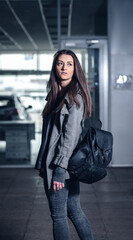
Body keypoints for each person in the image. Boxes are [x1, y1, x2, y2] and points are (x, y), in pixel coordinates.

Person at [35, 49, 94, 240]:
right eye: (60, 63)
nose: (64, 68)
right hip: (55, 163)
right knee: (74, 210)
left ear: (75, 68)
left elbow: (70, 137)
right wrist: (42, 163)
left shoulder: (74, 97)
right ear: (55, 66)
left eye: (69, 64)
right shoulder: (55, 95)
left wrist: (59, 169)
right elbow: (48, 136)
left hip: (62, 165)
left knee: (59, 216)